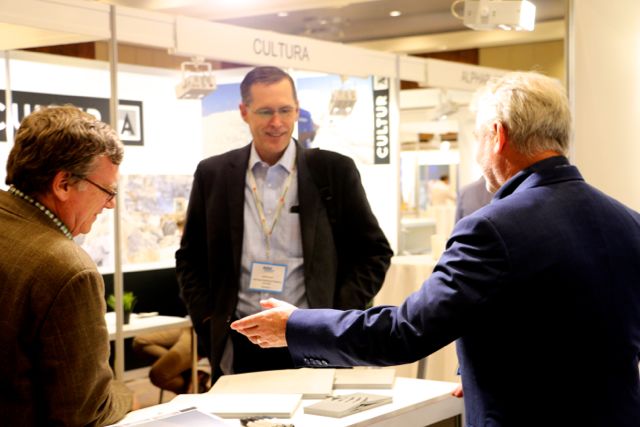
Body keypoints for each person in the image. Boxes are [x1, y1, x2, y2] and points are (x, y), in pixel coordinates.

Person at [231, 71, 640, 426]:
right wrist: (480, 370)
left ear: (497, 136)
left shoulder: (491, 229)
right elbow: (564, 328)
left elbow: (404, 332)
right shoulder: (628, 221)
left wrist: (295, 326)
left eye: (478, 137)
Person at [175, 66, 392, 382]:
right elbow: (190, 258)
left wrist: (335, 315)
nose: (277, 122)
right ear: (244, 112)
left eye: (285, 110)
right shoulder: (214, 174)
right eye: (265, 112)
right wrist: (208, 317)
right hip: (240, 340)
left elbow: (374, 252)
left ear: (297, 109)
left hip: (312, 337)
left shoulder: (333, 171)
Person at [0, 105, 133, 425]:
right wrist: (126, 395)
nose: (111, 204)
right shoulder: (68, 270)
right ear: (63, 184)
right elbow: (85, 412)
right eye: (108, 191)